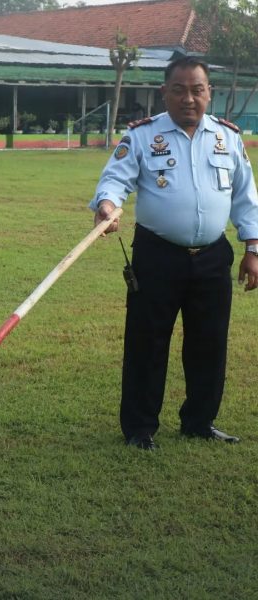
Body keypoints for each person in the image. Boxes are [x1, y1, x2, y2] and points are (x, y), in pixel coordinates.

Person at [90, 56, 258, 450]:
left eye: (197, 90)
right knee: (147, 343)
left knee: (210, 343)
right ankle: (140, 428)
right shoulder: (142, 137)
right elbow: (115, 180)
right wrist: (108, 206)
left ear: (209, 93)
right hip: (157, 256)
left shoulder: (227, 138)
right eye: (179, 89)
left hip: (213, 257)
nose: (189, 98)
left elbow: (246, 198)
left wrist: (253, 248)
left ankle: (199, 421)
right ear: (164, 93)